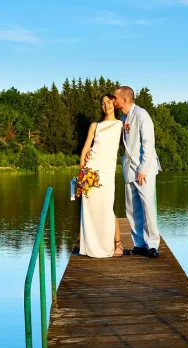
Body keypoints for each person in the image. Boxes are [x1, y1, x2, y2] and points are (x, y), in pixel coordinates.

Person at [113, 86, 161, 258]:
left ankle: (153, 244)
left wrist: (143, 169)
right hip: (129, 169)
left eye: (115, 98)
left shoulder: (142, 115)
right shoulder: (125, 117)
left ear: (124, 100)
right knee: (132, 209)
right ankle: (139, 243)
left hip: (143, 170)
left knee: (148, 206)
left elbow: (148, 143)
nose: (113, 100)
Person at [78, 94, 124, 258]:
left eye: (109, 102)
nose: (106, 105)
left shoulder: (121, 124)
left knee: (106, 207)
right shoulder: (95, 126)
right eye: (103, 103)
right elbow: (85, 149)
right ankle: (90, 246)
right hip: (91, 170)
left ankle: (117, 244)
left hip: (107, 171)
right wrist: (82, 172)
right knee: (90, 208)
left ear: (114, 103)